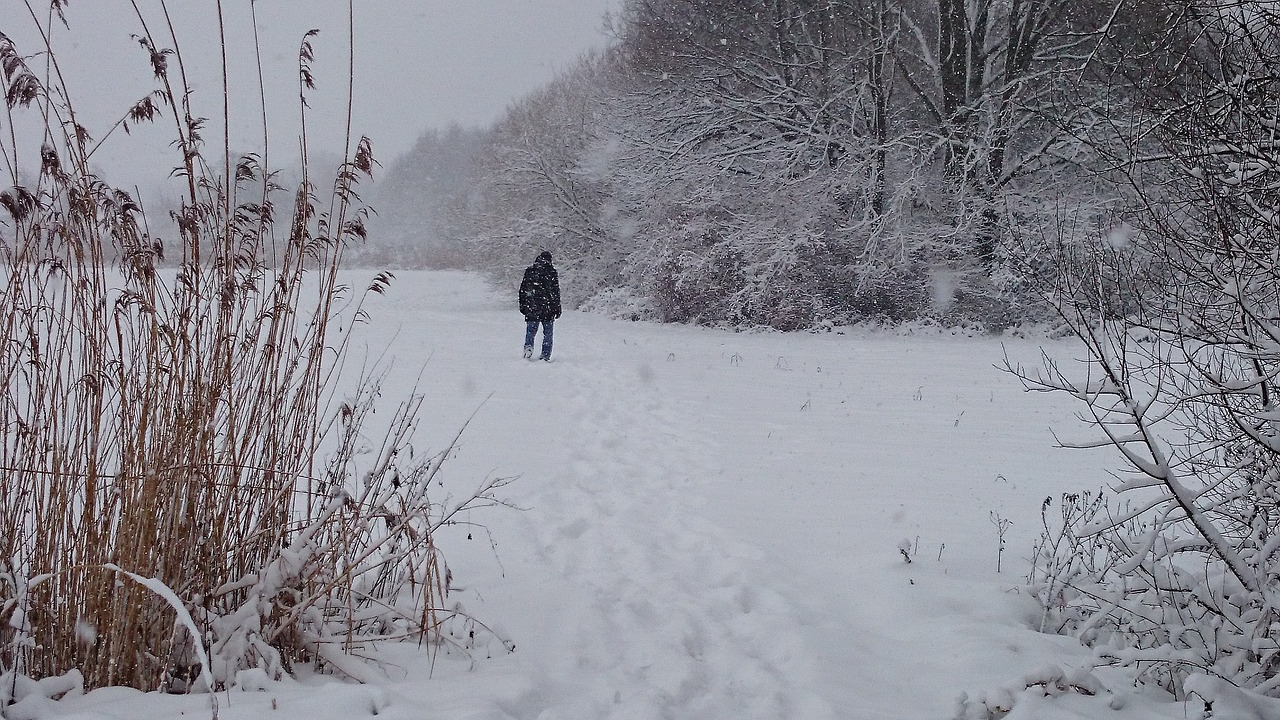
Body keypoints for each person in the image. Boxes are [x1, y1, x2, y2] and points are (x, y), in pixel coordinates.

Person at [519, 250, 561, 361]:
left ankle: (528, 347)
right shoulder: (551, 272)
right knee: (547, 333)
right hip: (548, 307)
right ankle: (545, 354)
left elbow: (523, 289)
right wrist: (557, 308)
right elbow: (555, 292)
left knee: (531, 330)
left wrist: (523, 304)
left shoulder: (530, 271)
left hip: (532, 306)